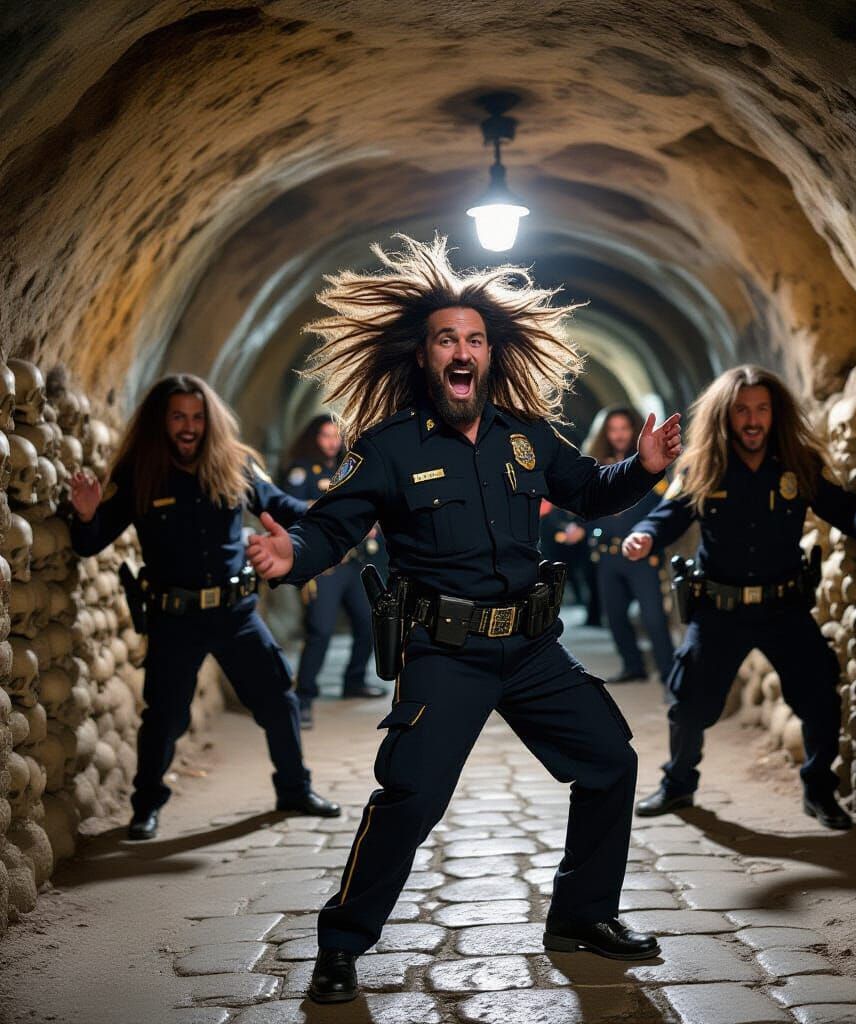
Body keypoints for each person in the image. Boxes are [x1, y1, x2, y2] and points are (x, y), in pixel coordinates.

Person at [247, 235, 682, 1003]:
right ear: (425, 356)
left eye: (475, 339)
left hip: (532, 646)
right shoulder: (387, 449)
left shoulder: (527, 436)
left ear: (491, 354)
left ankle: (583, 916)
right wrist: (294, 556)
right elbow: (332, 526)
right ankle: (341, 942)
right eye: (447, 338)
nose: (463, 350)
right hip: (444, 652)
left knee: (611, 760)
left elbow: (588, 488)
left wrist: (642, 469)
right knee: (409, 797)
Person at [623, 365, 856, 829]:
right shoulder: (703, 466)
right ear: (725, 416)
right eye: (741, 410)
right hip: (719, 609)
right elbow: (665, 518)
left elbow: (844, 515)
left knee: (818, 695)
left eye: (761, 409)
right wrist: (642, 536)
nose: (752, 420)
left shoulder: (798, 463)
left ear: (775, 413)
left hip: (783, 606)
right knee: (689, 701)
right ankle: (678, 784)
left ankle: (818, 790)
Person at [68, 374, 340, 841]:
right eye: (178, 417)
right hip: (174, 618)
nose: (189, 426)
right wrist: (88, 514)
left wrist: (336, 515)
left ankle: (294, 790)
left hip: (235, 614)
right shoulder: (140, 473)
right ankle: (145, 807)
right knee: (165, 718)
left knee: (278, 699)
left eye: (196, 417)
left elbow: (285, 507)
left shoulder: (234, 466)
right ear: (162, 421)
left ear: (209, 420)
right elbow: (92, 543)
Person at [281, 415, 384, 727]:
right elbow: (290, 508)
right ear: (314, 437)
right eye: (326, 435)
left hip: (351, 563)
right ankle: (304, 698)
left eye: (336, 436)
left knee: (369, 623)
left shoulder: (348, 468)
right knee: (321, 631)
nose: (332, 442)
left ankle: (354, 680)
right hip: (323, 568)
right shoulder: (302, 472)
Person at [584, 406, 675, 684]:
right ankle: (633, 666)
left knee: (654, 618)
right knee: (615, 617)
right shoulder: (596, 465)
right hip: (608, 554)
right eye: (613, 429)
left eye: (624, 428)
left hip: (641, 555)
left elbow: (665, 504)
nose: (619, 434)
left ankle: (669, 674)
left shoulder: (648, 464)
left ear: (633, 429)